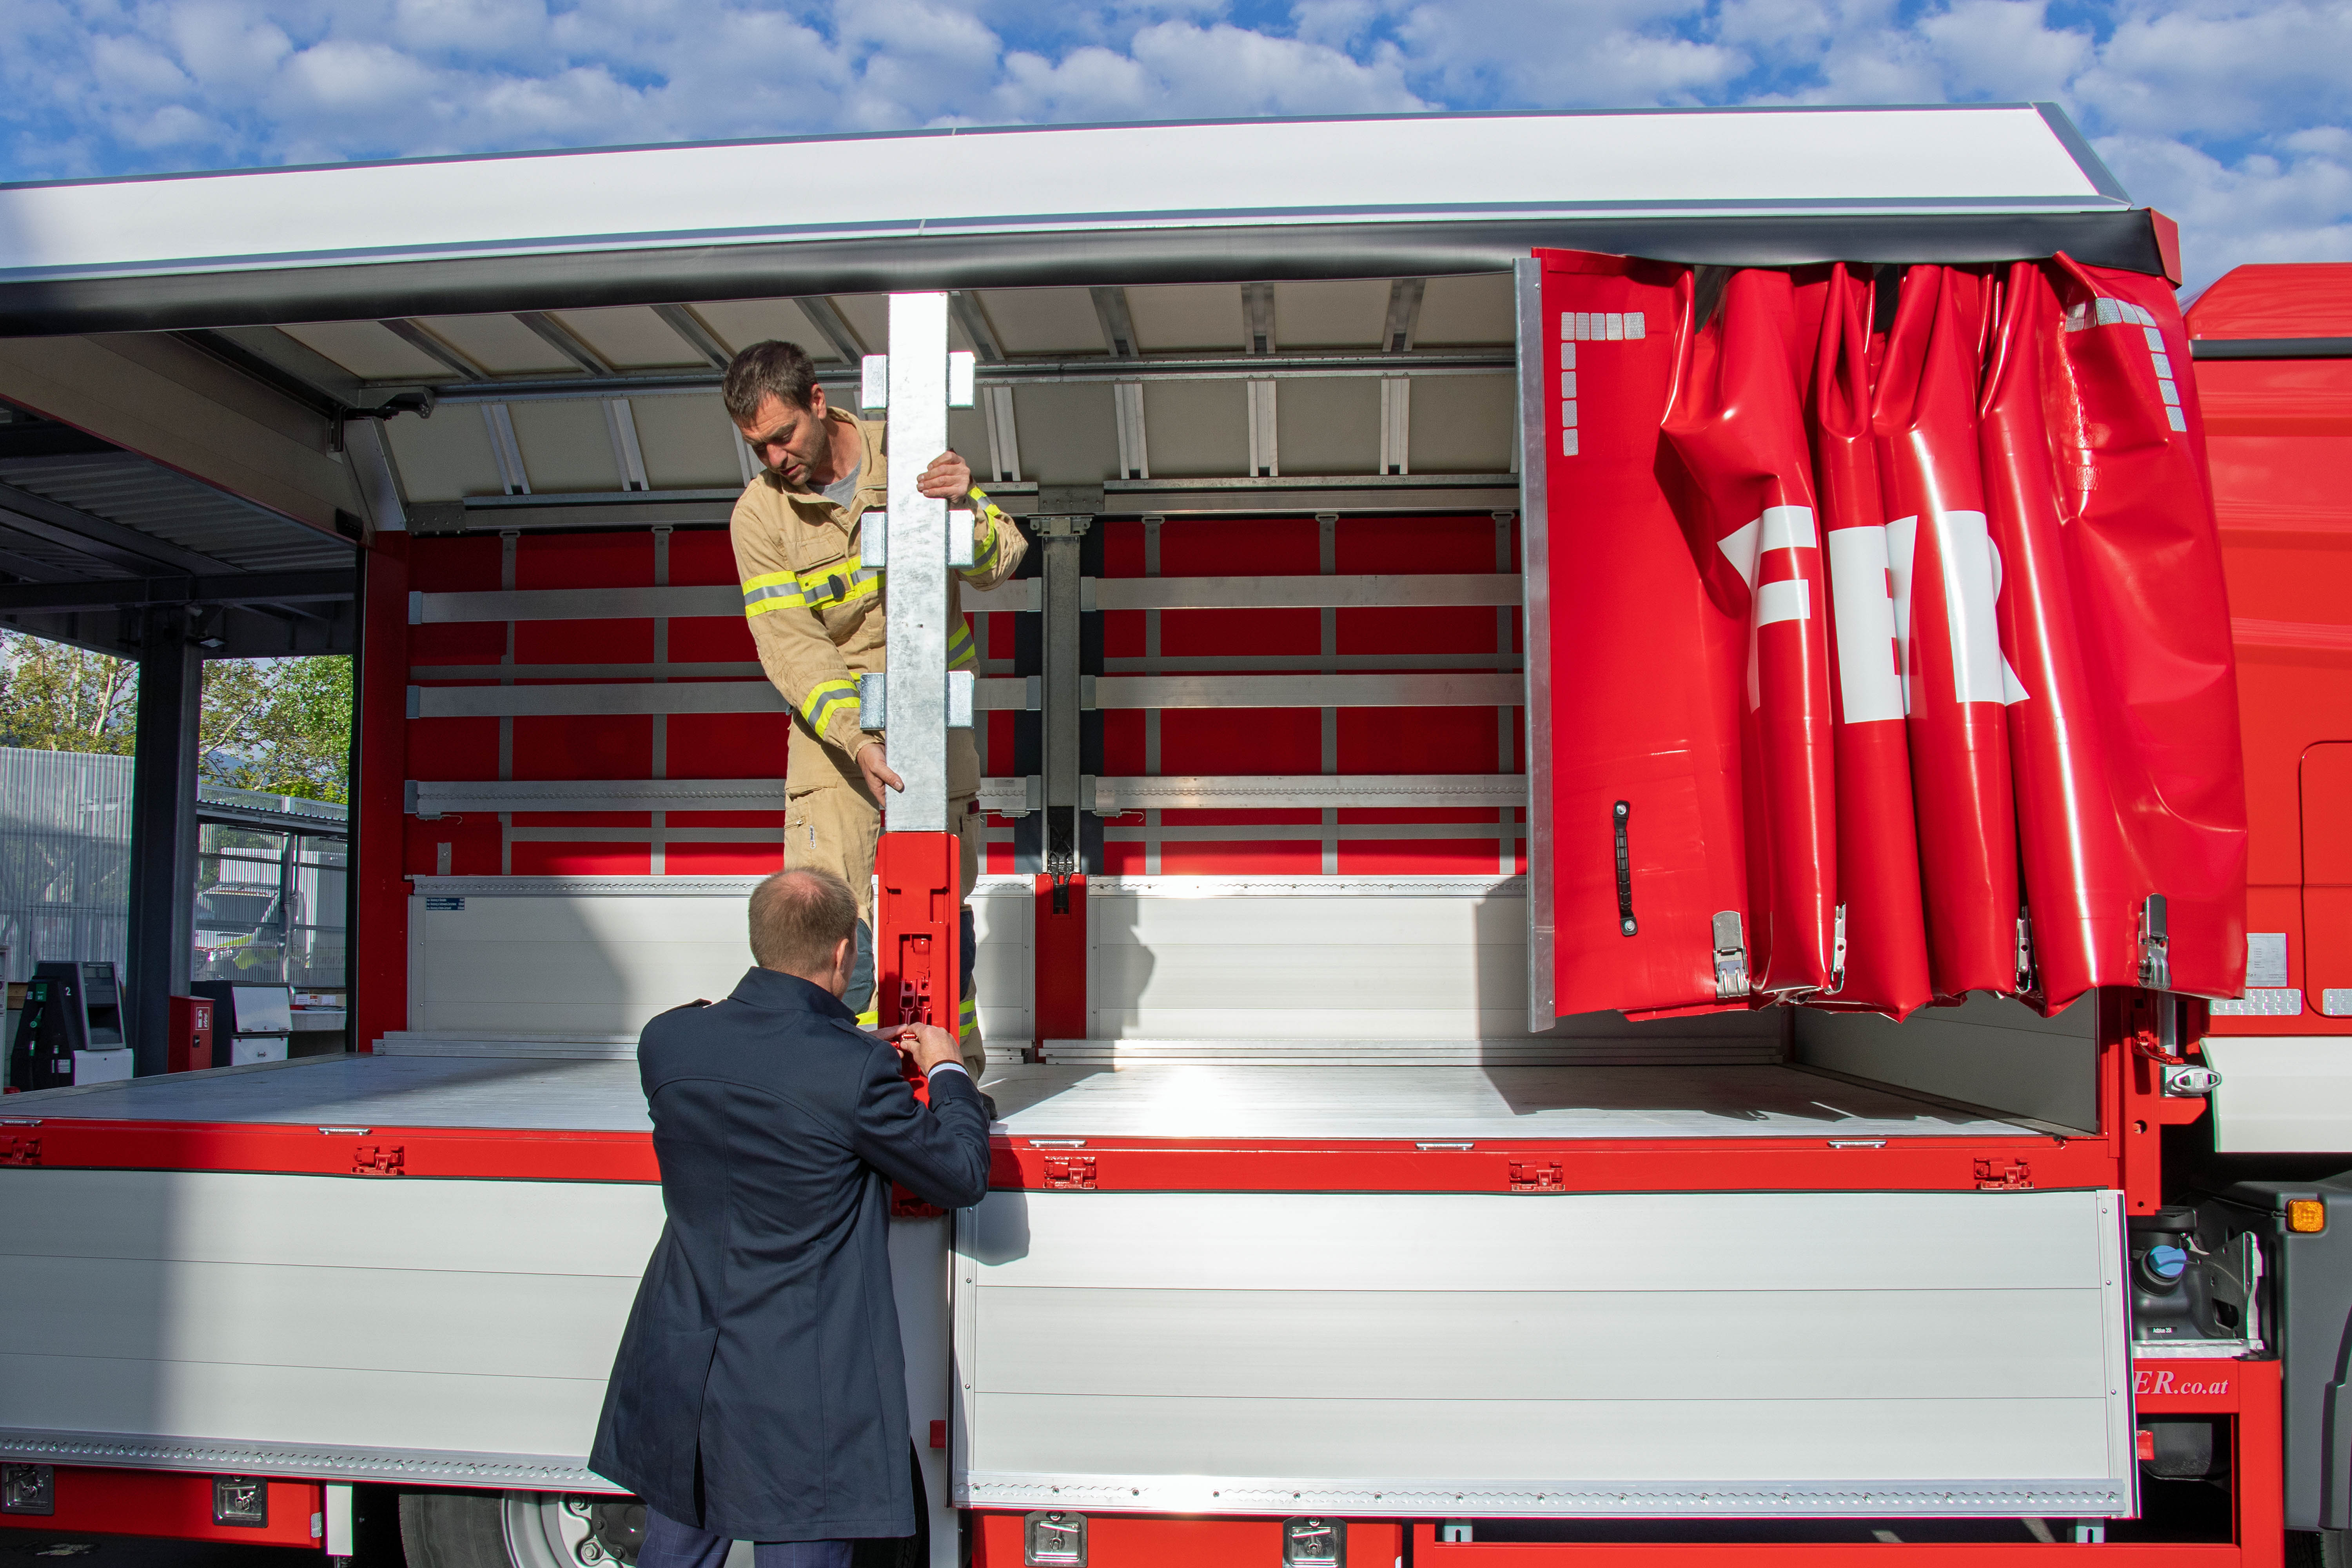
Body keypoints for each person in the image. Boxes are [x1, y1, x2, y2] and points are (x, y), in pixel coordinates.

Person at [589, 868, 991, 1568]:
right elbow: (959, 1175)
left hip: (687, 1372)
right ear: (842, 955)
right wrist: (948, 1070)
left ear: (757, 941)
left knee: (674, 1554)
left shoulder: (668, 1042)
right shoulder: (853, 1076)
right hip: (800, 1398)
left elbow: (761, 1061)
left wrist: (853, 1048)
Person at [724, 341, 1028, 1074]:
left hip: (936, 718)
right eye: (756, 446)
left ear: (819, 402)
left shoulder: (911, 448)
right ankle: (836, 1084)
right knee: (824, 917)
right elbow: (794, 649)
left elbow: (1002, 561)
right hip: (835, 739)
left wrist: (967, 503)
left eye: (782, 436)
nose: (773, 458)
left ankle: (953, 1077)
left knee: (939, 909)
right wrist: (857, 740)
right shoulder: (759, 518)